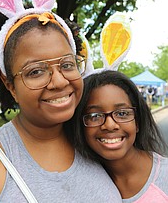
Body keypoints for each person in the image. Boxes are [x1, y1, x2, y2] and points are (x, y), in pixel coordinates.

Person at [0, 0, 122, 202]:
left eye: (66, 64)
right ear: (10, 85)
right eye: (36, 71)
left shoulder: (100, 139)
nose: (58, 81)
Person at [71, 70, 168, 202]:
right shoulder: (80, 183)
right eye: (95, 116)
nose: (110, 125)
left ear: (137, 122)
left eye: (122, 113)